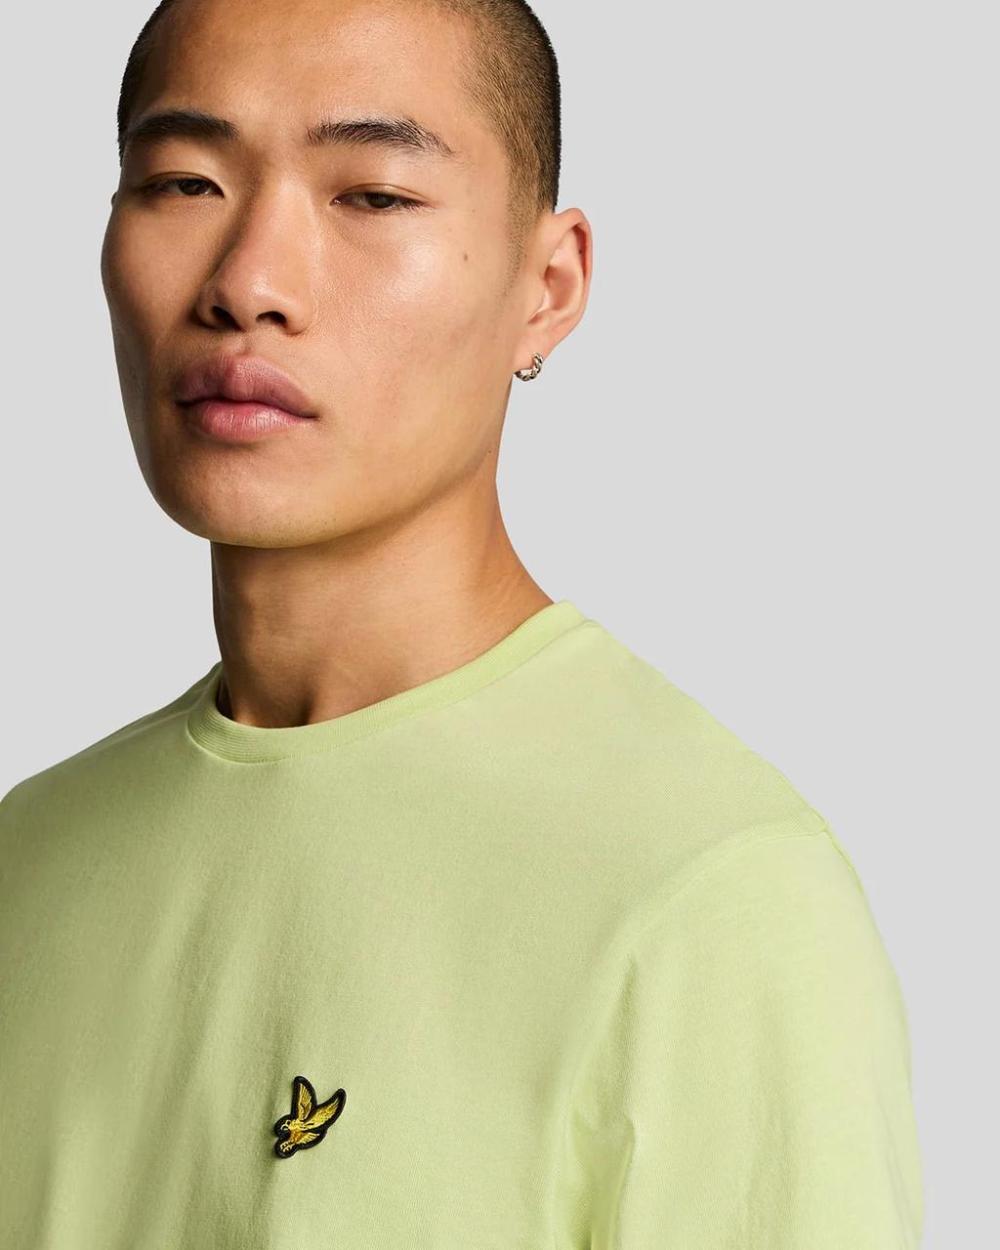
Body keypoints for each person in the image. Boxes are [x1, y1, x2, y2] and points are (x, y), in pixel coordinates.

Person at [0, 0, 924, 1245]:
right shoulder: (29, 852)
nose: (248, 284)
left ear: (549, 286)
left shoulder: (713, 892)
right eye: (183, 182)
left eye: (372, 195)